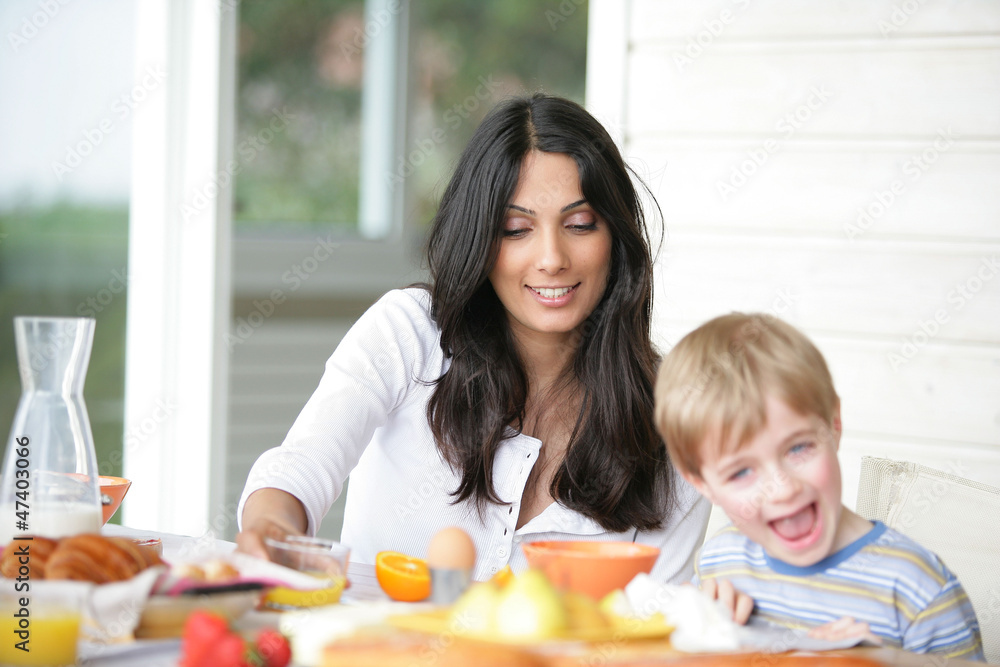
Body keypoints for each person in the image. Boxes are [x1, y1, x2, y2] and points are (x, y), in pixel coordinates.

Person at [236, 93, 711, 583]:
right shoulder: (408, 333)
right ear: (480, 239)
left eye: (579, 224)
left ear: (616, 235)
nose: (551, 258)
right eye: (515, 229)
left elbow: (661, 626)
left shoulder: (672, 420)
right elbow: (303, 465)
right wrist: (273, 526)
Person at [654, 312, 984, 659]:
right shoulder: (719, 565)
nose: (781, 489)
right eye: (740, 473)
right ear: (703, 484)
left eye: (798, 448)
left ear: (834, 425)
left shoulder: (918, 589)